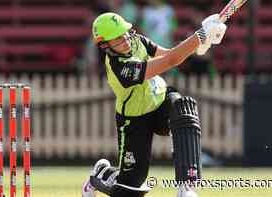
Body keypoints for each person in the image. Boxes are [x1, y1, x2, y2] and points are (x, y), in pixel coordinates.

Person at [82, 12, 226, 197]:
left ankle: (186, 188)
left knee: (184, 111)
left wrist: (198, 45)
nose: (125, 40)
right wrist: (200, 36)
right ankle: (101, 174)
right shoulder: (121, 68)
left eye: (125, 33)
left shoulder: (135, 40)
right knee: (130, 189)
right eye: (117, 39)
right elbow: (170, 60)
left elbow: (168, 54)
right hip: (135, 119)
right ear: (105, 46)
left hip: (161, 101)